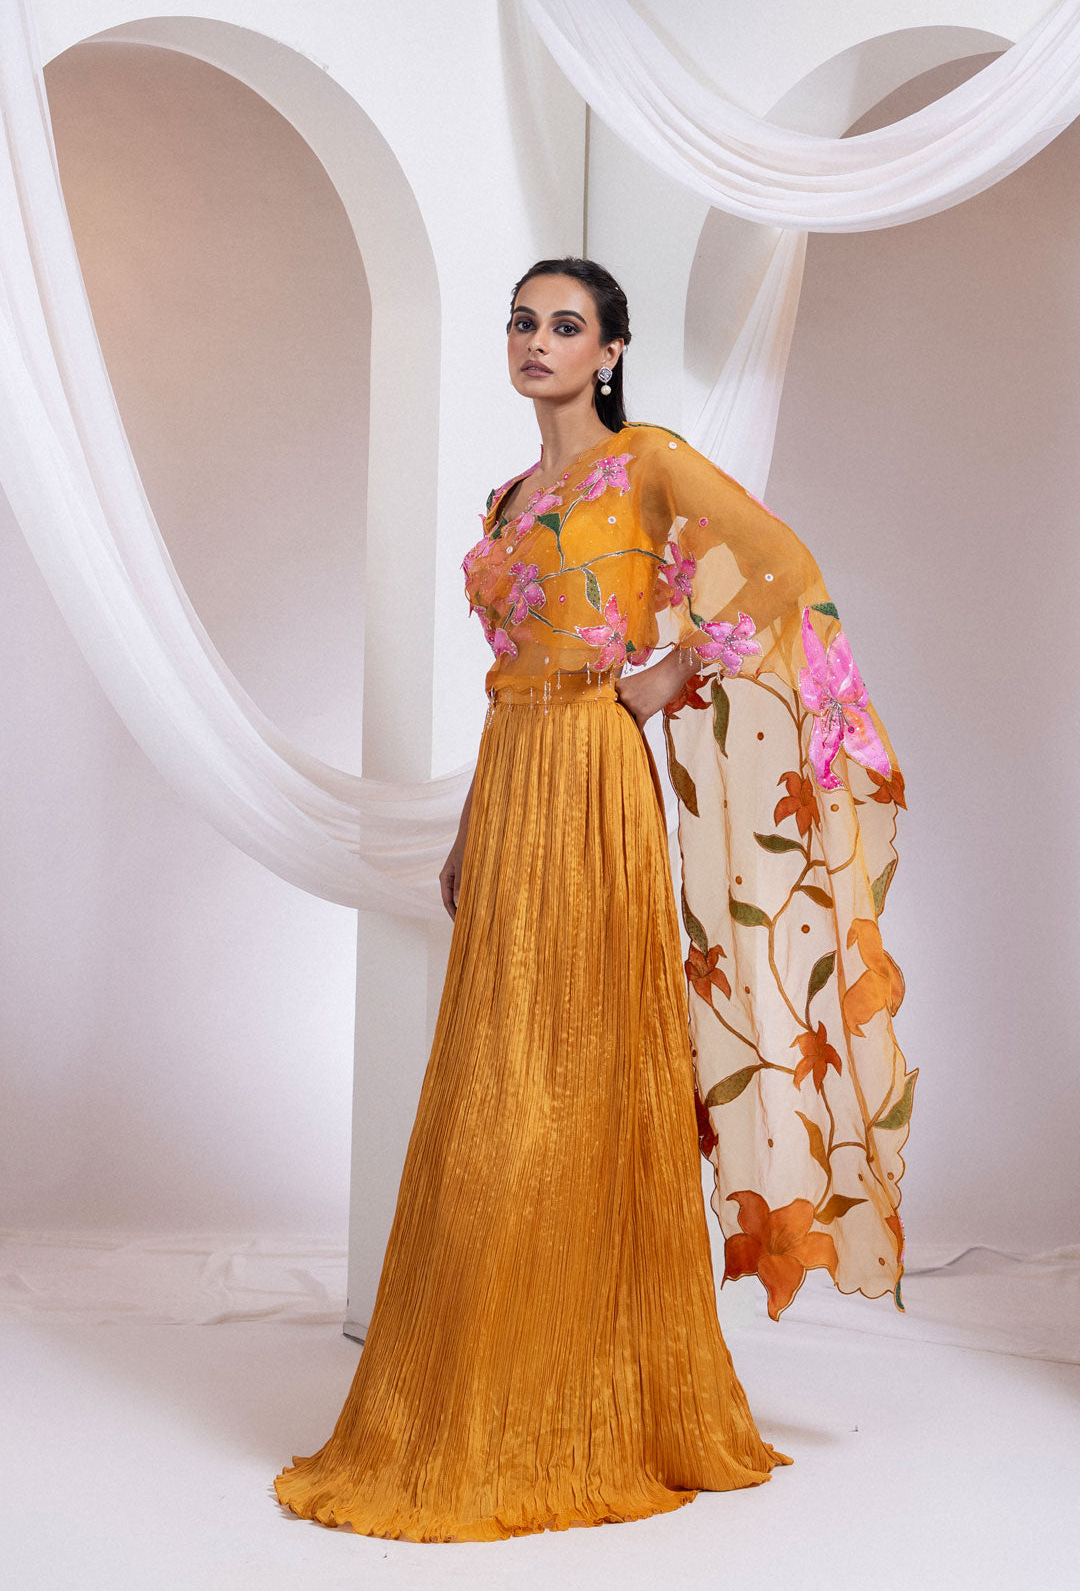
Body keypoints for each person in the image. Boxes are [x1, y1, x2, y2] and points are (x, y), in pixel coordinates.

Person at [273, 256, 912, 1543]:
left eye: (565, 325)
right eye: (523, 321)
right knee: (497, 1066)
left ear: (610, 351)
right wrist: (470, 824)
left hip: (599, 778)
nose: (537, 340)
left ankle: (594, 1388)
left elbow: (780, 570)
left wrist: (668, 675)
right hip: (514, 775)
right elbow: (511, 676)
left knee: (583, 1065)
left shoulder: (649, 461)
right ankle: (484, 1372)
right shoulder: (509, 497)